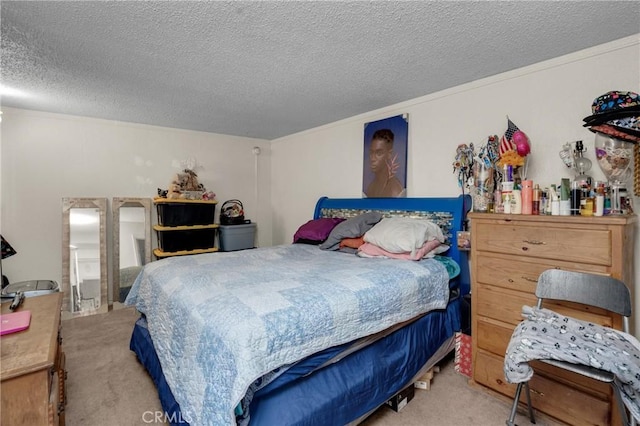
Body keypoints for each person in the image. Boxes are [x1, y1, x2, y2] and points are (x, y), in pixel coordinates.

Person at [364, 129, 405, 197]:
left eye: (379, 153)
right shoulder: (371, 187)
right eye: (371, 152)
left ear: (389, 154)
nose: (373, 158)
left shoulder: (394, 190)